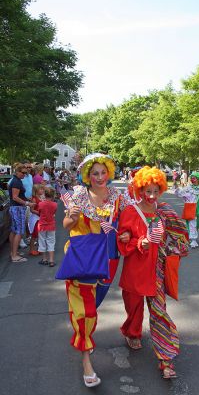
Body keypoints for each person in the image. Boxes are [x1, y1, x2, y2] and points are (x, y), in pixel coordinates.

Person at [61, 153, 131, 388]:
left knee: (94, 305)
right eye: (95, 173)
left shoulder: (117, 197)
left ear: (109, 172)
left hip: (109, 259)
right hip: (83, 259)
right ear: (87, 176)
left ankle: (83, 337)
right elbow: (66, 225)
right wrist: (71, 217)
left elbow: (128, 222)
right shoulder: (79, 195)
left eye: (103, 172)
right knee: (85, 311)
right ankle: (86, 359)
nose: (100, 177)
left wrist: (126, 233)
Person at [117, 166, 189, 379]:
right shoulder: (130, 211)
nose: (151, 196)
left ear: (161, 190)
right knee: (134, 307)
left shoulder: (165, 211)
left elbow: (181, 239)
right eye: (147, 191)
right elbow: (123, 243)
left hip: (156, 271)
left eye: (155, 191)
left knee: (159, 312)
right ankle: (132, 331)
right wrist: (138, 241)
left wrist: (168, 250)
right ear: (139, 190)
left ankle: (166, 360)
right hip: (135, 269)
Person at [174, 171, 199, 248]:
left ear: (198, 179)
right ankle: (193, 240)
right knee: (192, 224)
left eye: (194, 178)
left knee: (196, 225)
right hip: (190, 208)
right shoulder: (188, 188)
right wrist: (176, 185)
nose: (192, 179)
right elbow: (179, 193)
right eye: (192, 178)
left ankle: (190, 236)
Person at [8, 163, 35, 262]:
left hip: (15, 208)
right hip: (17, 208)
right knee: (19, 231)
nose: (25, 174)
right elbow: (15, 197)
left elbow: (17, 196)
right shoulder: (16, 182)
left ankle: (13, 252)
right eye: (23, 172)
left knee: (14, 231)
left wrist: (25, 199)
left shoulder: (17, 180)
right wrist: (27, 203)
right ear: (17, 171)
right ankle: (14, 255)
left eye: (26, 172)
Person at [38, 187, 57, 267]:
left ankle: (44, 259)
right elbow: (53, 213)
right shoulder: (55, 204)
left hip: (42, 225)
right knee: (51, 242)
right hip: (51, 225)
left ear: (45, 195)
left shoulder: (41, 204)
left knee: (42, 241)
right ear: (53, 195)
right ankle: (51, 260)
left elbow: (39, 212)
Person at [28, 184, 45, 255]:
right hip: (35, 219)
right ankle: (31, 250)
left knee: (39, 234)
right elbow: (32, 210)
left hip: (40, 218)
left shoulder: (41, 197)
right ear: (36, 191)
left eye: (42, 189)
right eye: (40, 189)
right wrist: (39, 213)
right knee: (34, 235)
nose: (42, 190)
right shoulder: (34, 198)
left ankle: (39, 248)